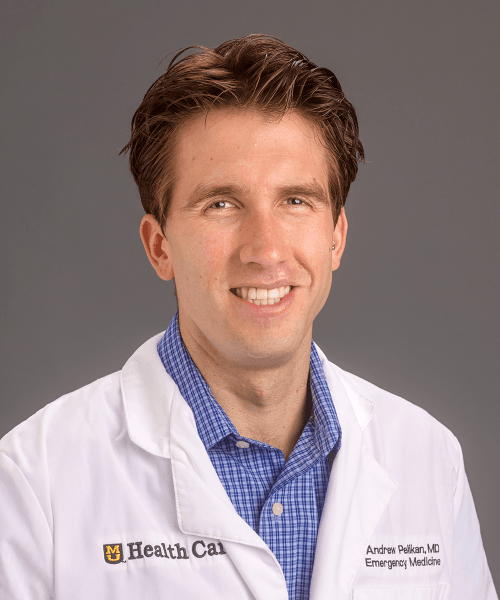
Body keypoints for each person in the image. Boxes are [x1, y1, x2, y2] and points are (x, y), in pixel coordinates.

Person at [0, 34, 496, 600]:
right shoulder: (34, 481)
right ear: (159, 246)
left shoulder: (427, 457)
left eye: (296, 201)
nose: (266, 249)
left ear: (336, 236)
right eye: (221, 204)